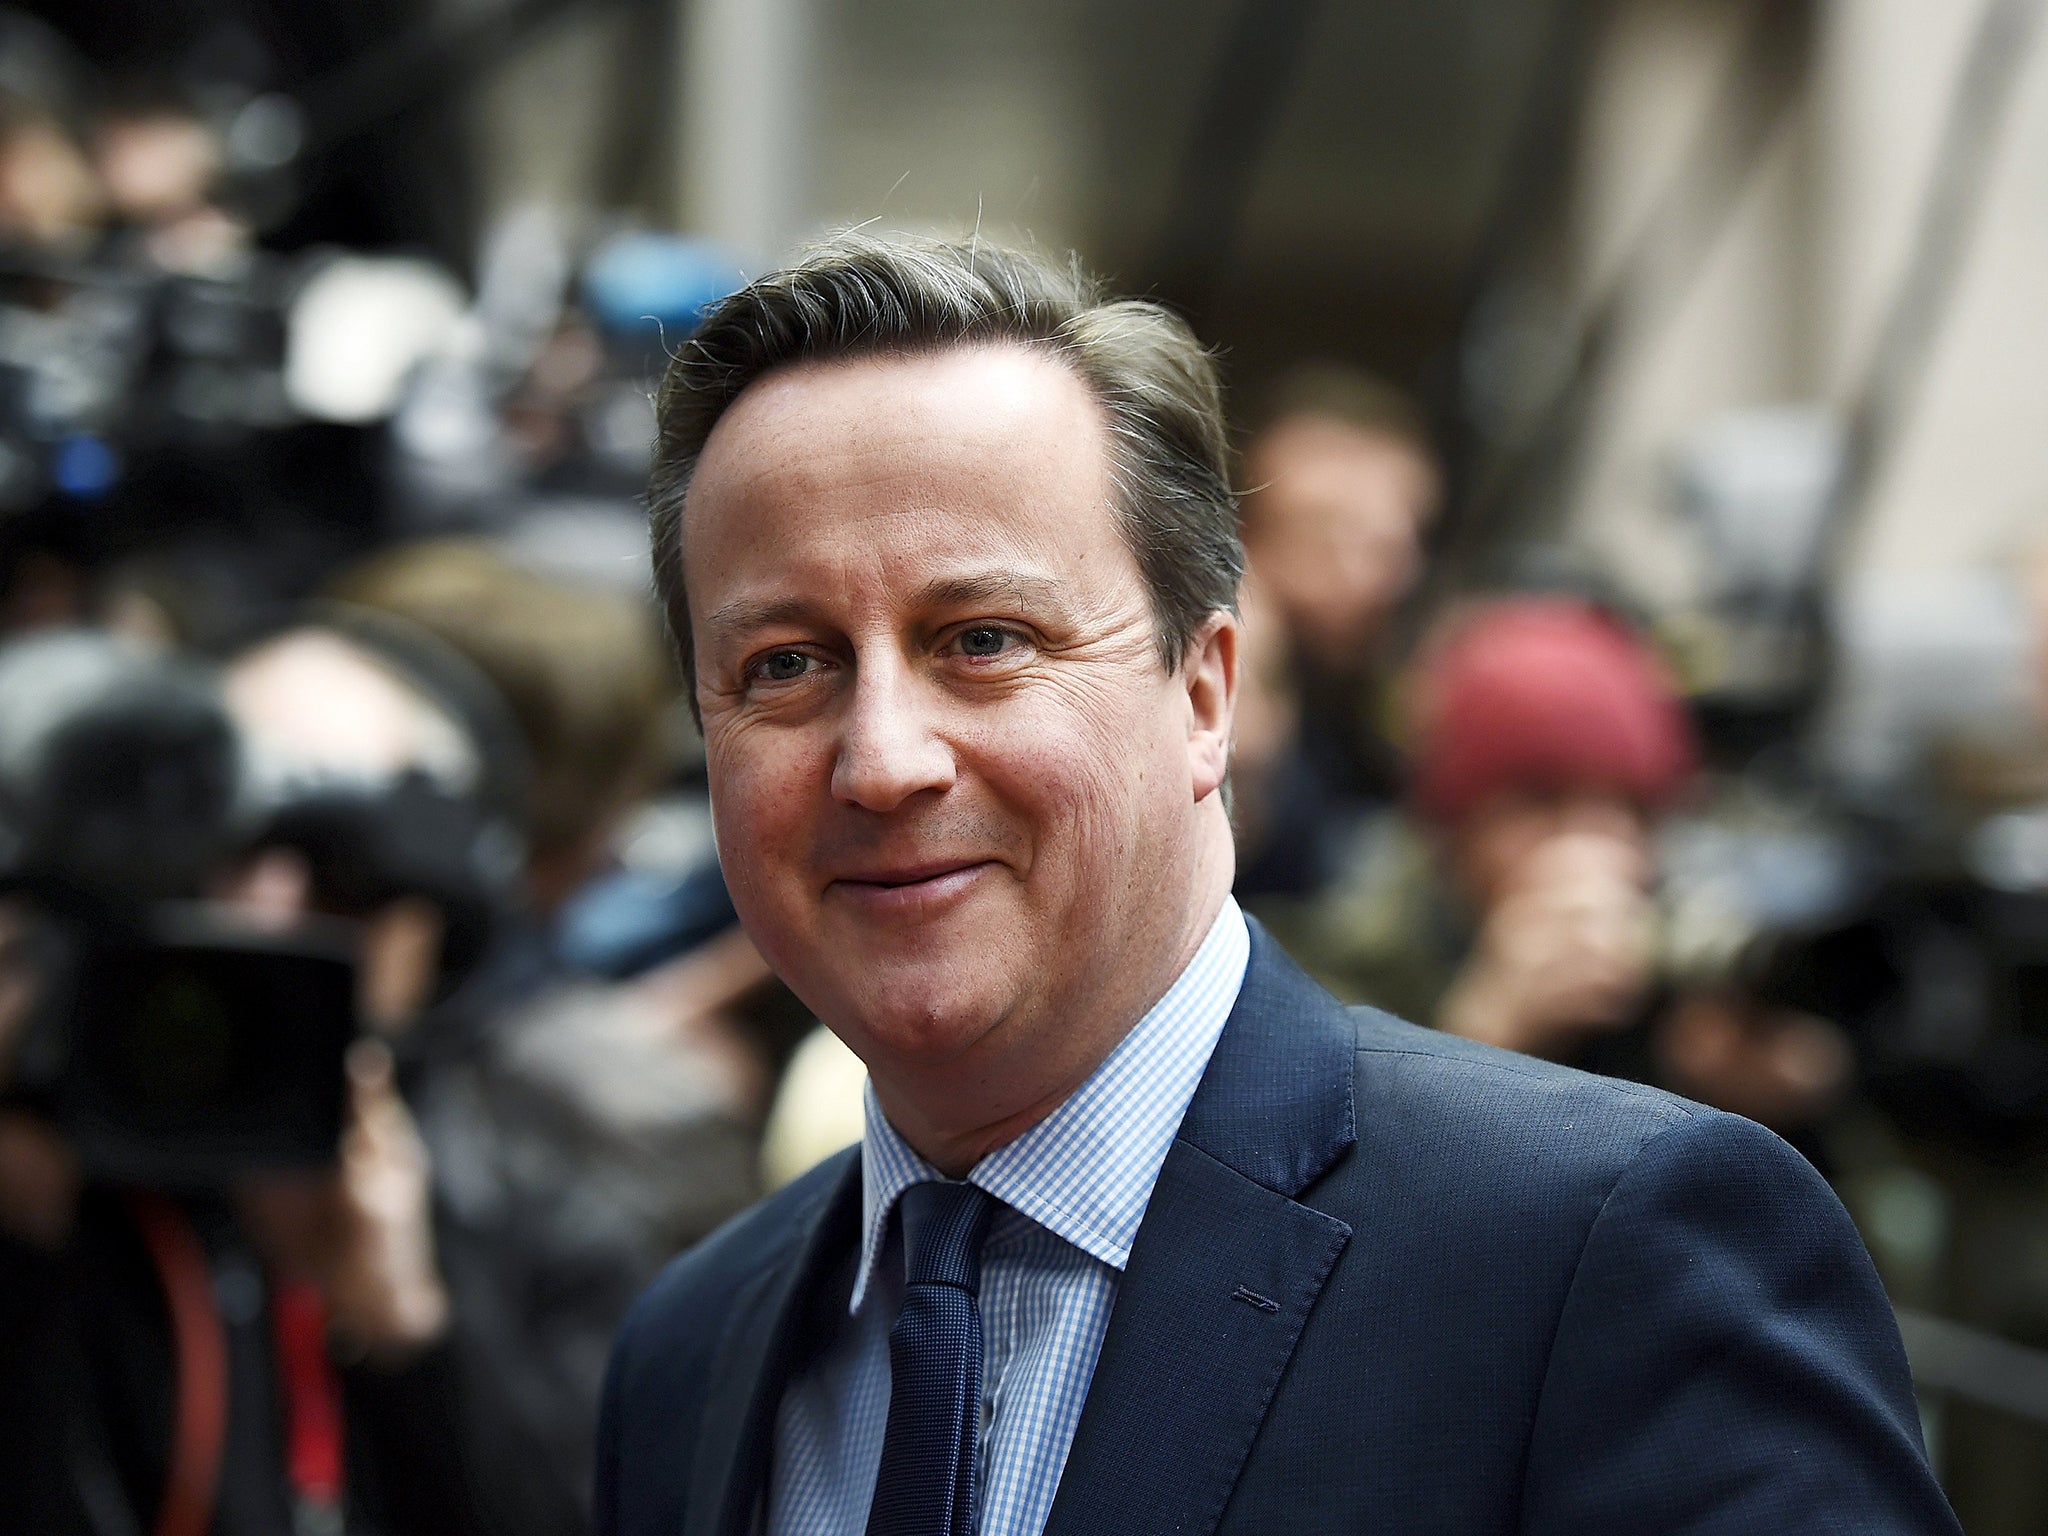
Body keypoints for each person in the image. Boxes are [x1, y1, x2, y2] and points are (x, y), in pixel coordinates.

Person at [594, 234, 1957, 1536]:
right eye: (784, 664)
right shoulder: (688, 1356)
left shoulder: (1608, 1254)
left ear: (1205, 695)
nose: (882, 761)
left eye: (984, 639)